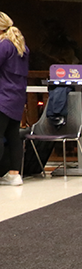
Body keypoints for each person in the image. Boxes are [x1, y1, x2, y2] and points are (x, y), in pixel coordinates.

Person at [0, 12, 29, 187]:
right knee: (12, 136)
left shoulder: (4, 46)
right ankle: (14, 174)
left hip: (2, 98)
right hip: (16, 98)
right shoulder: (21, 46)